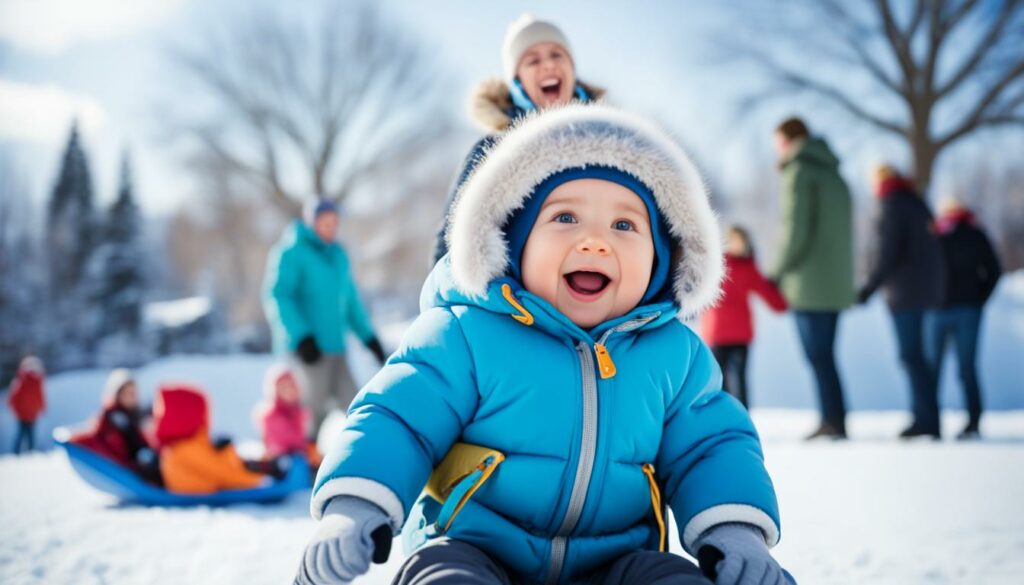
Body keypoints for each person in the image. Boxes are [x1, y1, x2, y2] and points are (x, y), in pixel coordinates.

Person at [298, 106, 789, 585]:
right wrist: (354, 506)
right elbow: (397, 419)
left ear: (663, 258)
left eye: (624, 225)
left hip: (617, 558)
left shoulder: (674, 356)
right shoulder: (466, 334)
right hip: (476, 547)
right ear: (514, 240)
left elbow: (711, 447)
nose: (596, 242)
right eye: (565, 218)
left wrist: (736, 531)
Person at [432, 13, 603, 264]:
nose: (548, 65)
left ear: (573, 70)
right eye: (532, 60)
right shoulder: (492, 151)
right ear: (517, 81)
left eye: (557, 55)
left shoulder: (612, 143)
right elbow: (450, 242)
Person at [263, 197, 387, 442]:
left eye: (334, 223)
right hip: (308, 350)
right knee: (310, 413)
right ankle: (300, 465)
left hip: (336, 348)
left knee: (355, 405)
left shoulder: (338, 256)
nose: (330, 228)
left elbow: (350, 302)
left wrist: (369, 338)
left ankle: (369, 455)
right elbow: (278, 297)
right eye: (324, 223)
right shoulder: (292, 252)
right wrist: (301, 336)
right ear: (311, 223)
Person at [769, 117, 855, 440]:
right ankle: (836, 418)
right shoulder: (835, 175)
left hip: (808, 283)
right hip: (835, 282)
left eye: (777, 141)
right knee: (827, 356)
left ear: (790, 139)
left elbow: (796, 231)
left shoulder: (799, 171)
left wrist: (776, 271)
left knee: (817, 356)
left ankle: (831, 420)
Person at [857, 165, 946, 439]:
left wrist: (869, 288)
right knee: (921, 357)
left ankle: (925, 420)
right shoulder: (917, 203)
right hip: (927, 291)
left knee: (911, 356)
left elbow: (888, 252)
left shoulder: (892, 205)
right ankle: (930, 418)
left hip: (905, 293)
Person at [925, 197, 1002, 439]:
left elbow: (993, 270)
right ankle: (968, 420)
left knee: (945, 368)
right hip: (960, 309)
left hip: (950, 309)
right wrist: (979, 298)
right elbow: (994, 270)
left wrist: (979, 298)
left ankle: (934, 421)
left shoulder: (941, 235)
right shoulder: (967, 234)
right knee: (962, 369)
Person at [701, 226, 788, 408]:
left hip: (740, 335)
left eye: (741, 241)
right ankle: (722, 417)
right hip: (717, 333)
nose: (738, 245)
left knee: (739, 378)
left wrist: (785, 301)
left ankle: (742, 417)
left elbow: (768, 294)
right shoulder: (717, 264)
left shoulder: (748, 268)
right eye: (734, 240)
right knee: (718, 380)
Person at [153, 383, 279, 494]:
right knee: (235, 460)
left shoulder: (177, 448)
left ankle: (263, 465)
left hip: (208, 479)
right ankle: (267, 468)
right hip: (211, 484)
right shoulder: (186, 450)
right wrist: (257, 480)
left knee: (235, 457)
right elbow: (225, 475)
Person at [70, 369, 162, 485]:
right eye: (127, 393)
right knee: (149, 459)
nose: (131, 397)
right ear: (117, 395)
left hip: (137, 461)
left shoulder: (133, 415)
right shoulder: (112, 416)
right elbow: (98, 439)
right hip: (128, 465)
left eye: (133, 393)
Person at [253, 363, 321, 466]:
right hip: (281, 463)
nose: (290, 391)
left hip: (300, 460)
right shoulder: (271, 415)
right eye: (284, 388)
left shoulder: (300, 411)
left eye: (292, 386)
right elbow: (286, 442)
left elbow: (306, 437)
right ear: (276, 391)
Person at [7, 355, 46, 454]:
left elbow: (39, 396)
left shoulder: (37, 381)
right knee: (21, 434)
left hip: (32, 413)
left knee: (30, 434)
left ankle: (30, 453)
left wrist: (42, 407)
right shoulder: (22, 380)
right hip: (22, 414)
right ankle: (17, 453)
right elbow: (13, 397)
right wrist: (15, 409)